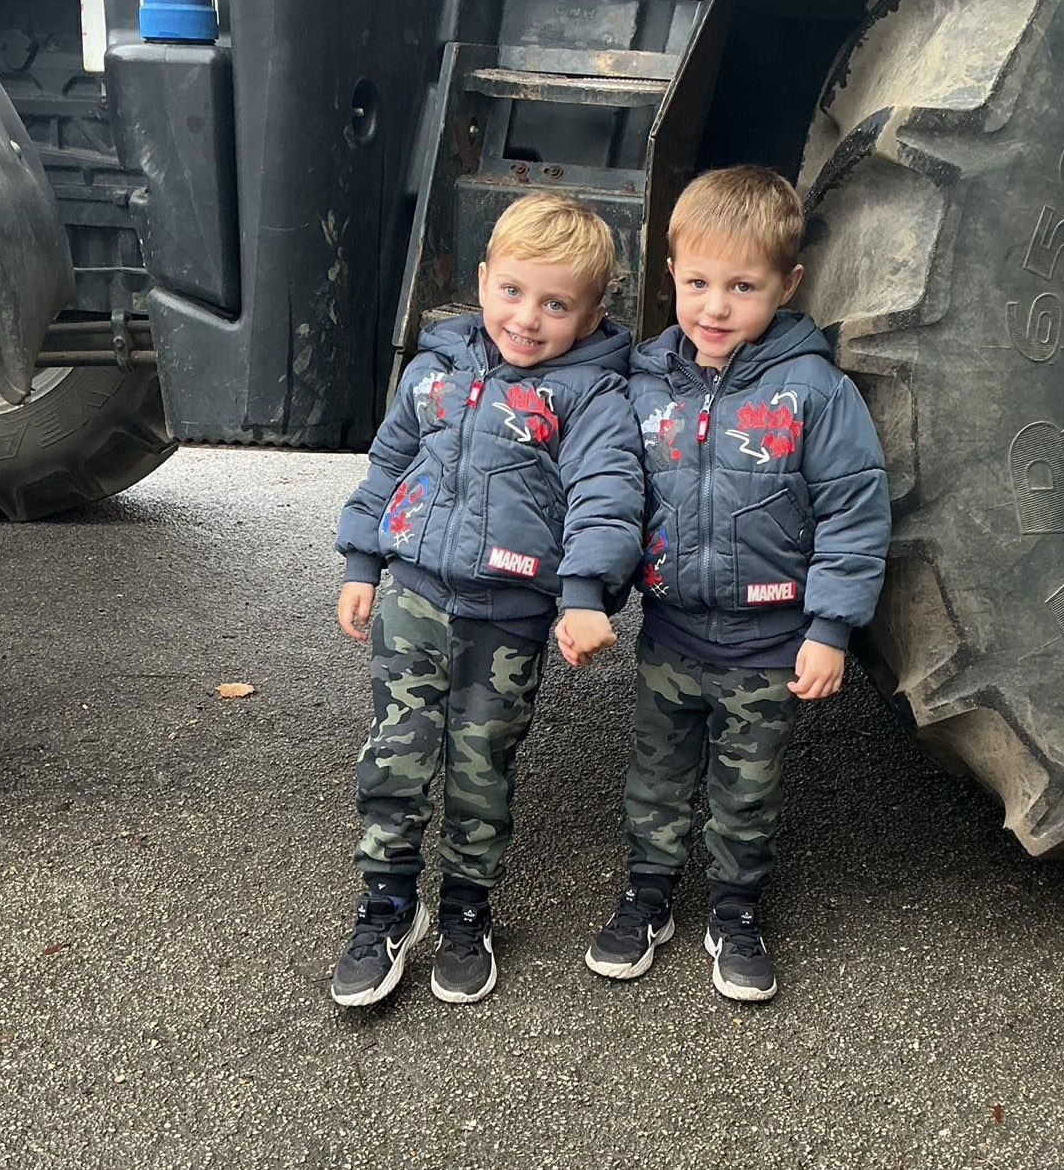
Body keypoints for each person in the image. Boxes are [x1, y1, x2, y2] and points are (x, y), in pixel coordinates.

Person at [581, 165, 890, 1002]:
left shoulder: (813, 392)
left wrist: (829, 628)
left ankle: (735, 908)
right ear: (671, 276)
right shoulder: (642, 385)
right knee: (655, 774)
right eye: (698, 283)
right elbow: (608, 497)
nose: (715, 307)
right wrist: (587, 597)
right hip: (671, 634)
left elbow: (853, 513)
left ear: (786, 286)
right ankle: (648, 894)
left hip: (766, 644)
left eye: (743, 286)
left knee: (744, 788)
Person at [331, 193, 643, 1007]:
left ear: (591, 311)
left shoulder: (591, 399)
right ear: (482, 280)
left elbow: (605, 499)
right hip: (414, 597)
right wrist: (361, 561)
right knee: (393, 759)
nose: (527, 318)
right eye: (512, 291)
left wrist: (583, 596)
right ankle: (387, 907)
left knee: (480, 770)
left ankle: (468, 912)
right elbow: (385, 464)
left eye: (555, 304)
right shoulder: (434, 372)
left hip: (507, 618)